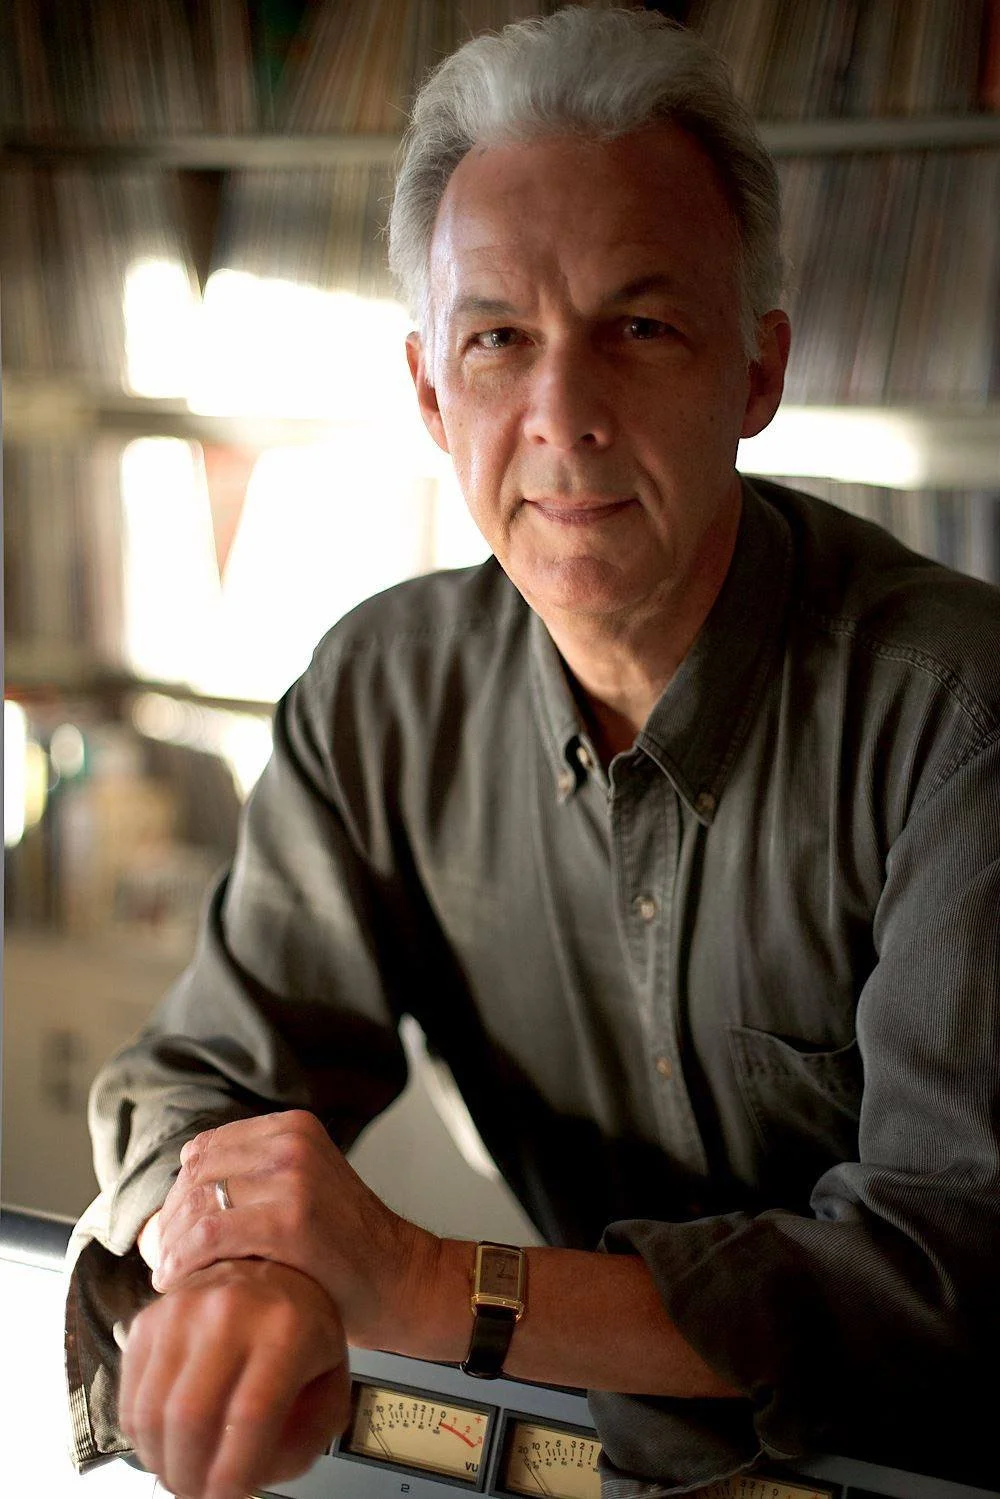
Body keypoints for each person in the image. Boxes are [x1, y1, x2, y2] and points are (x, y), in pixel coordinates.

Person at [66, 9, 1000, 1499]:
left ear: (757, 370)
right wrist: (243, 1263)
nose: (563, 416)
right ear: (433, 394)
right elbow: (206, 1074)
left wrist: (428, 1285)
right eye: (499, 338)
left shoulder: (961, 716)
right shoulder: (381, 696)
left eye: (641, 327)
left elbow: (944, 1279)